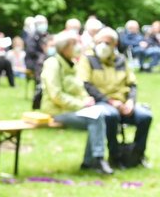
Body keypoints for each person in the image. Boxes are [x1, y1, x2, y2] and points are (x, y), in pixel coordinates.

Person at [77, 28, 152, 168]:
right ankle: (115, 155)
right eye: (100, 42)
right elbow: (87, 85)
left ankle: (137, 155)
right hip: (102, 102)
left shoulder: (121, 60)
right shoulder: (88, 59)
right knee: (111, 115)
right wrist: (110, 102)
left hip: (124, 103)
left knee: (145, 116)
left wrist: (130, 101)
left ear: (115, 44)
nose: (103, 45)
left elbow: (132, 84)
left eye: (107, 42)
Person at [40, 31, 113, 174]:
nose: (78, 47)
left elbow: (79, 88)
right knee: (96, 118)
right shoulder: (52, 64)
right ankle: (96, 159)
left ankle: (90, 161)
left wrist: (87, 99)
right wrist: (81, 105)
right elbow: (56, 95)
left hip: (74, 109)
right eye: (74, 43)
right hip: (56, 111)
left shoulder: (72, 64)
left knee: (98, 116)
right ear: (64, 47)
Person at [26, 15, 50, 109]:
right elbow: (31, 52)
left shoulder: (47, 35)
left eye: (44, 23)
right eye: (40, 23)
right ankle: (39, 90)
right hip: (33, 62)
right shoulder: (32, 36)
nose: (43, 25)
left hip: (45, 60)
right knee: (40, 65)